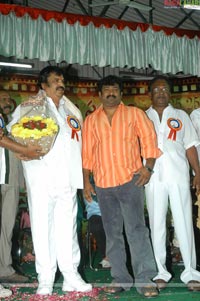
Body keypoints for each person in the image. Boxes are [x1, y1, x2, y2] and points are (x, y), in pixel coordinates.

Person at [7, 66, 92, 296]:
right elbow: (11, 134)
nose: (60, 83)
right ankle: (45, 278)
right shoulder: (29, 106)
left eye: (62, 79)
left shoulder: (72, 108)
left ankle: (70, 275)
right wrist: (22, 152)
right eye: (55, 80)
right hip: (41, 178)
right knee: (44, 229)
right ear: (43, 85)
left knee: (68, 229)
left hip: (67, 178)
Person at [82, 75, 161, 298]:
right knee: (112, 233)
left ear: (121, 93)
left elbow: (149, 141)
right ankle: (120, 279)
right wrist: (86, 183)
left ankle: (145, 279)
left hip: (131, 181)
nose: (110, 94)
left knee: (136, 230)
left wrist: (148, 168)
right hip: (104, 185)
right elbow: (87, 155)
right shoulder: (91, 120)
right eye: (106, 90)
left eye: (114, 90)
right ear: (99, 94)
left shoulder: (134, 114)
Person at [145, 75, 200, 291]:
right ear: (150, 94)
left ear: (170, 93)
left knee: (184, 224)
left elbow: (190, 146)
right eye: (157, 89)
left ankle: (191, 273)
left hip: (178, 176)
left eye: (165, 89)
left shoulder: (181, 115)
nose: (161, 93)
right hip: (152, 178)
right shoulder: (142, 117)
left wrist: (197, 171)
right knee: (157, 225)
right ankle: (161, 272)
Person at [0, 91, 29, 284]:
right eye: (2, 98)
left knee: (6, 228)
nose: (7, 101)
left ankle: (5, 269)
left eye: (9, 99)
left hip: (10, 181)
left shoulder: (14, 125)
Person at [83, 175, 110, 268]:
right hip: (95, 213)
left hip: (113, 211)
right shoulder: (86, 180)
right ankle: (107, 256)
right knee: (97, 225)